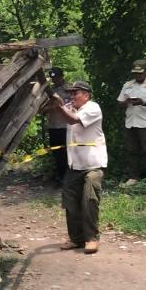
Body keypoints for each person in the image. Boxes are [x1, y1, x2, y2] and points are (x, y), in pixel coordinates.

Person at [52, 81, 107, 254]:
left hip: (93, 164)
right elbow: (59, 112)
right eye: (70, 93)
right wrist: (55, 102)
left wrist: (60, 106)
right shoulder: (71, 108)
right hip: (74, 164)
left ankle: (91, 238)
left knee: (89, 199)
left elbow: (74, 120)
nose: (72, 96)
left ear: (86, 95)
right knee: (70, 201)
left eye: (75, 93)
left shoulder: (93, 108)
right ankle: (76, 239)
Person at [116, 59, 146, 184]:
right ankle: (133, 178)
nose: (137, 75)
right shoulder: (128, 85)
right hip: (130, 122)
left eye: (140, 73)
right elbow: (119, 103)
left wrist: (143, 102)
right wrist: (126, 102)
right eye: (135, 73)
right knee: (132, 150)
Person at [41, 68, 71, 185]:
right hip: (53, 126)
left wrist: (61, 105)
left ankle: (69, 177)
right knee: (57, 153)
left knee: (67, 152)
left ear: (62, 76)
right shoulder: (49, 91)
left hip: (67, 126)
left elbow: (74, 105)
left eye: (57, 77)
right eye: (53, 78)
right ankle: (60, 176)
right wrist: (50, 107)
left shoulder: (70, 89)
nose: (55, 80)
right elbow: (41, 109)